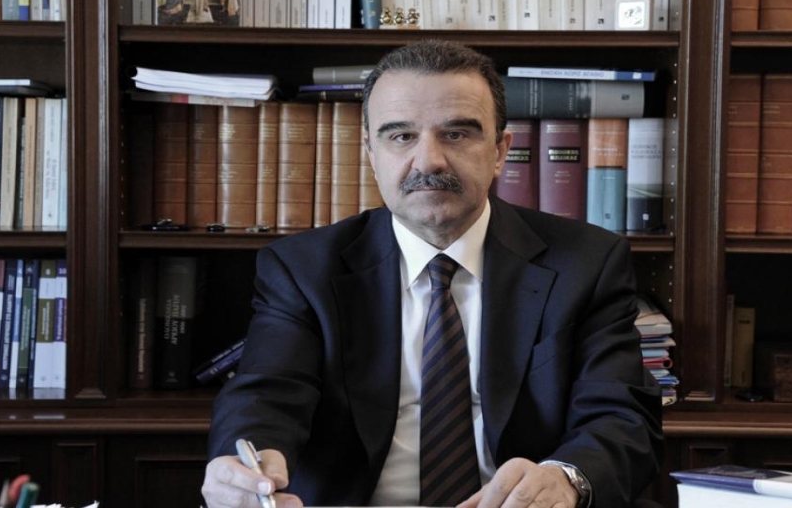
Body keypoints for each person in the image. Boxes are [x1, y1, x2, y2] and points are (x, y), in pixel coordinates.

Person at [203, 39, 663, 508]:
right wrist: (247, 467)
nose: (429, 161)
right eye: (401, 136)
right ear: (371, 153)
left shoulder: (586, 262)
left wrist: (565, 480)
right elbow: (268, 393)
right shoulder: (303, 268)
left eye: (457, 134)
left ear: (501, 151)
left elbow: (621, 416)